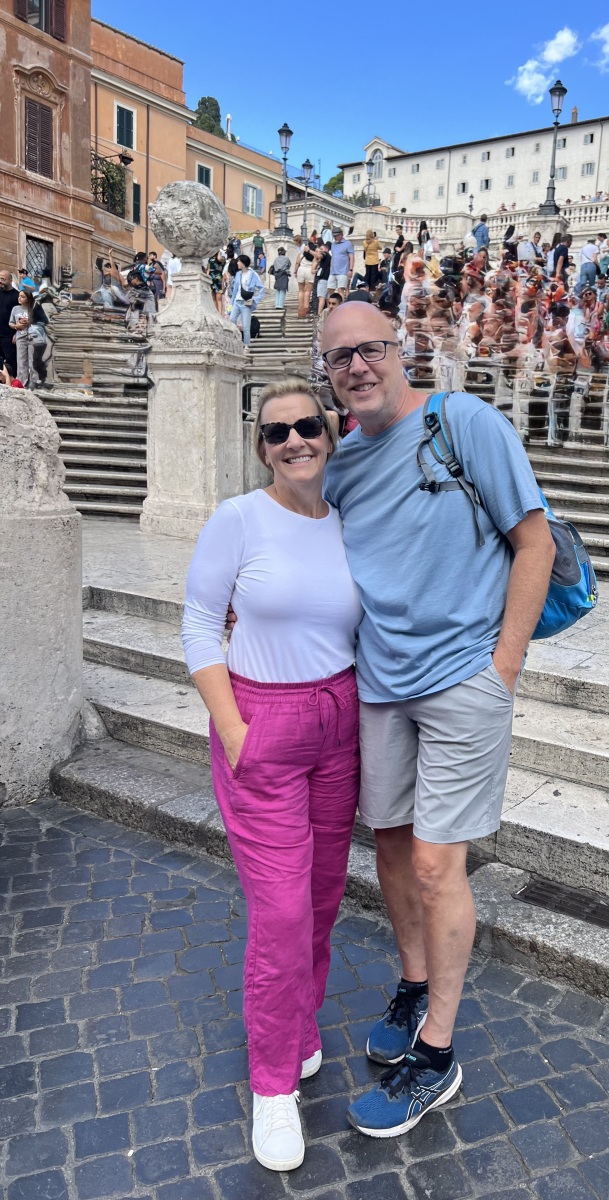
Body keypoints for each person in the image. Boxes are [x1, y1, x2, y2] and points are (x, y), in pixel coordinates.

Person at [318, 301, 555, 1138]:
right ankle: (414, 984)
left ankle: (438, 1053)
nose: (358, 366)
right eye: (340, 357)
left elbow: (535, 542)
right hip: (381, 684)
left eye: (371, 348)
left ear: (400, 349)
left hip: (463, 680)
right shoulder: (341, 463)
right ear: (328, 372)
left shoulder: (466, 423)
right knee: (389, 846)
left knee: (432, 865)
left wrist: (504, 668)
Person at [183, 378, 361, 1173]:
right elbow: (198, 623)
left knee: (321, 898)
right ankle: (273, 1082)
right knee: (282, 911)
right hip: (263, 722)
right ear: (261, 448)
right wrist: (233, 730)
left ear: (329, 433)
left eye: (307, 427)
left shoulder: (348, 521)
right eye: (277, 432)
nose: (294, 441)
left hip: (339, 723)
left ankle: (300, 1021)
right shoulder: (238, 518)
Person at [9, 289, 48, 388]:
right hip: (20, 337)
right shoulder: (15, 309)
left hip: (33, 337)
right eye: (19, 296)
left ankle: (33, 382)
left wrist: (30, 322)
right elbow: (11, 323)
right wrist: (16, 326)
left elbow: (44, 321)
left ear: (28, 298)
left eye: (23, 297)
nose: (19, 298)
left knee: (32, 361)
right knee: (21, 361)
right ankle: (22, 383)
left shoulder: (34, 308)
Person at [229, 254, 264, 352]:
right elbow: (235, 290)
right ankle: (234, 340)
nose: (237, 263)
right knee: (232, 319)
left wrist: (255, 299)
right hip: (237, 301)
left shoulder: (252, 274)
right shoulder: (238, 274)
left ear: (243, 264)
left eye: (239, 261)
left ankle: (246, 345)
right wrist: (231, 303)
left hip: (246, 302)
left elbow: (261, 288)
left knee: (246, 325)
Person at [0, 270, 19, 375]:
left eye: (3, 279)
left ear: (10, 280)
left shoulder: (17, 296)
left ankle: (13, 382)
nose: (0, 281)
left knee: (11, 362)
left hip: (9, 336)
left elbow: (21, 315)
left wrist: (17, 333)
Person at [327, 229, 354, 299]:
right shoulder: (333, 244)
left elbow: (351, 257)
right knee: (330, 289)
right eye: (334, 236)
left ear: (341, 234)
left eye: (336, 236)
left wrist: (350, 269)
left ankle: (340, 304)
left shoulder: (348, 243)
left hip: (343, 271)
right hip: (333, 271)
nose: (335, 237)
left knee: (340, 290)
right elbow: (333, 257)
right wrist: (330, 269)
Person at [293, 239, 316, 318]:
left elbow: (297, 263)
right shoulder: (314, 255)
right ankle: (306, 309)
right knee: (308, 291)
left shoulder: (301, 254)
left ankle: (300, 310)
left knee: (301, 291)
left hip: (301, 270)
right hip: (309, 271)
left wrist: (295, 271)